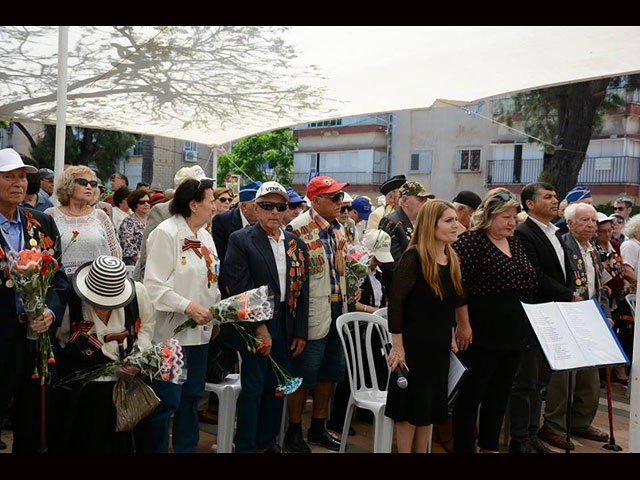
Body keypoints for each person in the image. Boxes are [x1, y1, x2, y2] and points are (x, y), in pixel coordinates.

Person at [219, 181, 309, 453]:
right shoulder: (241, 239)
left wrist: (301, 331)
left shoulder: (295, 242)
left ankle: (268, 442)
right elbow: (239, 286)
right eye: (267, 206)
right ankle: (245, 445)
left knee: (278, 386)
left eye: (280, 206)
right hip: (255, 321)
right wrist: (260, 327)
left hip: (286, 320)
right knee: (254, 387)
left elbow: (302, 288)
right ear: (256, 208)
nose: (274, 212)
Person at [452, 188, 538, 453]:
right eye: (505, 217)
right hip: (480, 331)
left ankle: (489, 447)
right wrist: (464, 325)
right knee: (471, 396)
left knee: (499, 396)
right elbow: (458, 288)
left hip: (512, 333)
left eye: (514, 216)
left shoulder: (514, 243)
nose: (512, 222)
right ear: (488, 216)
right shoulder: (471, 242)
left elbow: (529, 280)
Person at [143, 177, 220, 453]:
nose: (214, 206)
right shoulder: (166, 233)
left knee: (191, 397)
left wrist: (217, 311)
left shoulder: (205, 235)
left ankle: (186, 449)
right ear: (193, 204)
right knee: (167, 401)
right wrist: (188, 306)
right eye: (210, 200)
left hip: (199, 335)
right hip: (171, 336)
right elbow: (153, 286)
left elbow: (211, 281)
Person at [49, 256, 155, 453]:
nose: (102, 307)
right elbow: (61, 338)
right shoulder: (71, 299)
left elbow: (146, 329)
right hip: (84, 382)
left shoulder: (139, 294)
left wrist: (138, 357)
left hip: (127, 381)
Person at [0, 148, 68, 453]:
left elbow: (60, 279)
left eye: (22, 177)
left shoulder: (41, 223)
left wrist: (51, 313)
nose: (18, 183)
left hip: (34, 339)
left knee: (32, 422)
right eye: (8, 177)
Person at [385, 200, 465, 453]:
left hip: (438, 343)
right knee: (410, 407)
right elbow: (395, 303)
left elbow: (450, 301)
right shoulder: (414, 257)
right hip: (414, 343)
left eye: (456, 219)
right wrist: (397, 347)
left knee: (429, 406)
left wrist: (452, 332)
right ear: (432, 225)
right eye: (449, 221)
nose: (456, 225)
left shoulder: (450, 256)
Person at [508, 182, 575, 454]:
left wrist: (569, 292)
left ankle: (533, 435)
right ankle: (520, 438)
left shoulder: (556, 232)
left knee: (540, 382)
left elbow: (564, 269)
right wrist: (569, 295)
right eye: (547, 196)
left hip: (554, 314)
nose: (554, 200)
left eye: (555, 196)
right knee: (525, 381)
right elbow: (535, 275)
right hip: (534, 315)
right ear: (530, 204)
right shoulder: (524, 233)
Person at [539, 203, 613, 450]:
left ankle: (581, 422)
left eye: (593, 221)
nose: (591, 225)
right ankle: (554, 427)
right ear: (569, 223)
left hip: (591, 317)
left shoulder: (592, 248)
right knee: (564, 378)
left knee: (590, 377)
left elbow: (598, 285)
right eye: (584, 220)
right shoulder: (562, 245)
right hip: (568, 315)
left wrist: (606, 314)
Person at [284, 175, 349, 453]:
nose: (340, 202)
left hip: (337, 307)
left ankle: (318, 427)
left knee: (330, 373)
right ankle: (294, 430)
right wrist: (297, 323)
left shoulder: (339, 230)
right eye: (333, 197)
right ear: (315, 200)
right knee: (303, 374)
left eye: (340, 197)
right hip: (311, 311)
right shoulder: (296, 229)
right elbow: (292, 281)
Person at [132, 165, 208, 283]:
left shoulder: (203, 212)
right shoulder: (161, 211)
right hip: (163, 282)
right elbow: (147, 252)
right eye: (197, 185)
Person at [45, 165, 121, 276]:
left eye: (93, 184)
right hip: (59, 285)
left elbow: (115, 253)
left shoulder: (100, 216)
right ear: (68, 184)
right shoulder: (51, 215)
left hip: (94, 284)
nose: (89, 186)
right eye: (83, 182)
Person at [595, 212, 631, 385]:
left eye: (609, 230)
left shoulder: (615, 245)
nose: (607, 234)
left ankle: (612, 370)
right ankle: (601, 374)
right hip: (603, 297)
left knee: (615, 331)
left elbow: (620, 267)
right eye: (602, 231)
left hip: (616, 297)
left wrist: (624, 281)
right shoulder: (592, 247)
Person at [380, 180, 435, 264]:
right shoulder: (391, 222)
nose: (425, 204)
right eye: (420, 199)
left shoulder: (423, 222)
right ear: (405, 200)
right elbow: (392, 263)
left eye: (425, 200)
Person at [211, 181, 261, 262]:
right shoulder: (222, 221)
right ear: (244, 206)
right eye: (258, 205)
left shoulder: (263, 223)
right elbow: (221, 257)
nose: (263, 209)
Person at [118, 189, 151, 266]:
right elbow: (129, 250)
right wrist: (146, 264)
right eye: (142, 202)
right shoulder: (128, 223)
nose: (146, 204)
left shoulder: (153, 219)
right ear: (134, 204)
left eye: (148, 202)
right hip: (134, 267)